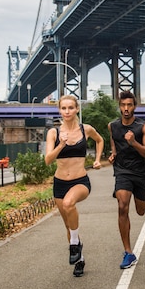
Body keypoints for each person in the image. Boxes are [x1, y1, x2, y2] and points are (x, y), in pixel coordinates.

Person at [45, 95, 104, 277]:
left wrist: (97, 160)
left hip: (80, 181)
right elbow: (48, 160)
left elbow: (100, 140)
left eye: (71, 107)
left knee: (69, 204)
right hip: (60, 183)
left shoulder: (85, 129)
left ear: (77, 109)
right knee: (69, 227)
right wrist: (61, 144)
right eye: (64, 108)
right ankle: (79, 259)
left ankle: (74, 245)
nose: (67, 111)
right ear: (60, 111)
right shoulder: (53, 133)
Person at [108, 91, 145, 269]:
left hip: (140, 173)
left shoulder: (144, 127)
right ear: (119, 106)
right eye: (123, 105)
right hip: (122, 172)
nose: (126, 109)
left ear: (134, 106)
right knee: (122, 206)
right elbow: (114, 143)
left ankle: (144, 203)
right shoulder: (113, 126)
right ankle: (128, 252)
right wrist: (113, 154)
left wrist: (134, 142)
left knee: (140, 212)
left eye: (129, 105)